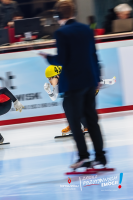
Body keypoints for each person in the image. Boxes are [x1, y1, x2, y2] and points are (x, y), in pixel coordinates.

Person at [39, 0, 106, 169]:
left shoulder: (61, 33)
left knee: (75, 123)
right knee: (92, 121)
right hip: (90, 81)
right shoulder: (86, 29)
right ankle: (100, 157)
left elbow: (62, 59)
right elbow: (94, 54)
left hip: (73, 85)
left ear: (57, 16)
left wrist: (47, 57)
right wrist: (97, 77)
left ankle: (83, 157)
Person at [43, 65, 116, 136]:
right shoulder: (57, 83)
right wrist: (48, 91)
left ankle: (86, 125)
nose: (49, 81)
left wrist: (109, 81)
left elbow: (90, 79)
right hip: (79, 92)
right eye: (48, 79)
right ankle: (74, 124)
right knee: (69, 107)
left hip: (88, 89)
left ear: (57, 76)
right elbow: (54, 98)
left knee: (78, 107)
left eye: (50, 78)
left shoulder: (69, 76)